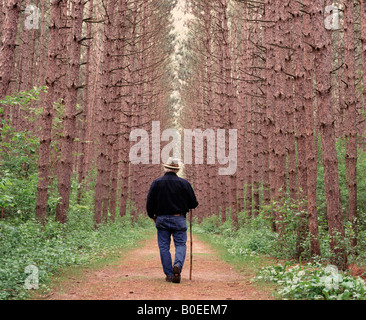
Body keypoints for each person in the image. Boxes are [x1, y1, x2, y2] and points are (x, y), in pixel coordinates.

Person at [146, 157, 198, 283]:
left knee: (164, 247)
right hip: (178, 218)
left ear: (166, 168)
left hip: (161, 218)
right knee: (180, 244)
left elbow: (149, 203)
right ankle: (178, 266)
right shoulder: (184, 183)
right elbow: (193, 204)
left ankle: (169, 274)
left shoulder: (157, 183)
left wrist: (152, 216)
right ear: (177, 169)